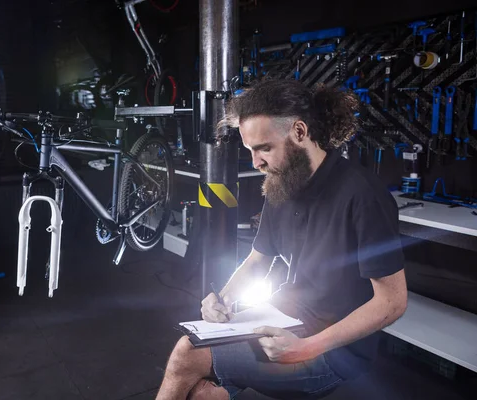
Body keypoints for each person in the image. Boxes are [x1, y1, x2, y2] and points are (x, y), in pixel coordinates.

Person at [155, 79, 408, 400]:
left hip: (333, 351)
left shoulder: (362, 194)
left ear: (300, 133)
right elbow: (257, 259)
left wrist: (306, 348)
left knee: (186, 353)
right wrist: (223, 298)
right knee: (203, 395)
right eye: (250, 151)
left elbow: (393, 302)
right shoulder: (281, 186)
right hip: (283, 320)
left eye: (264, 148)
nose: (256, 162)